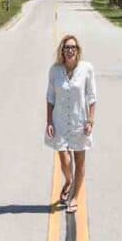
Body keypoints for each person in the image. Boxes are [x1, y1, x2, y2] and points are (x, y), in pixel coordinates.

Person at [44, 34, 97, 214]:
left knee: (80, 161)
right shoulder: (55, 70)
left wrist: (91, 120)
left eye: (73, 47)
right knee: (65, 160)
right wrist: (49, 121)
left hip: (79, 121)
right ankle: (69, 181)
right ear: (62, 50)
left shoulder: (87, 69)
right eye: (67, 47)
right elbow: (50, 97)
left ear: (77, 50)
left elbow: (92, 97)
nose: (70, 50)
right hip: (59, 121)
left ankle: (74, 197)